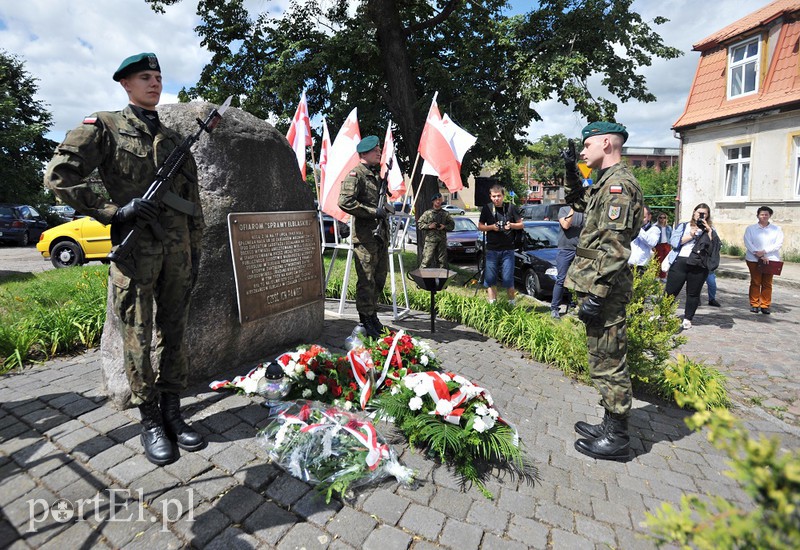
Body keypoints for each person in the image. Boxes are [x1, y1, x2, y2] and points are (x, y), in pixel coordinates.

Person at [43, 53, 205, 466]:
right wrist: (113, 211)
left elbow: (191, 202)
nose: (154, 83)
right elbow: (59, 175)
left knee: (176, 330)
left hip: (178, 252)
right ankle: (149, 417)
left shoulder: (172, 137)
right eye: (145, 77)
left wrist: (195, 248)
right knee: (137, 333)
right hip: (136, 251)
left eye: (158, 77)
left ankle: (173, 411)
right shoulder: (106, 127)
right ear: (125, 84)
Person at [562, 121, 643, 461]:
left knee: (609, 361)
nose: (583, 151)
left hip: (605, 288)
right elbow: (577, 202)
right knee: (602, 357)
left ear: (606, 143)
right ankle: (610, 423)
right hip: (598, 283)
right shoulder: (604, 183)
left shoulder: (618, 187)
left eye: (587, 145)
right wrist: (570, 169)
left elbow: (615, 247)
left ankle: (619, 438)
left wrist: (596, 293)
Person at [339, 135, 394, 337]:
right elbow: (344, 202)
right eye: (376, 150)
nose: (379, 152)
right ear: (364, 153)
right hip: (365, 239)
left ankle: (373, 316)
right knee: (366, 280)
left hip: (380, 237)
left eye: (379, 150)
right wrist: (372, 212)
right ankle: (365, 320)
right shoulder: (357, 174)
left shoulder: (376, 175)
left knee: (379, 279)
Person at [664, 203, 721, 330]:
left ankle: (688, 318)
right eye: (699, 212)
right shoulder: (684, 226)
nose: (701, 215)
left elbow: (714, 247)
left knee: (693, 293)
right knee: (671, 291)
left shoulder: (711, 229)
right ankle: (662, 313)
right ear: (694, 213)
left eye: (704, 214)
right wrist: (691, 235)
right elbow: (673, 242)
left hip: (699, 264)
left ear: (708, 216)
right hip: (681, 261)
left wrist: (709, 231)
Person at [478, 184, 524, 305]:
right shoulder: (487, 208)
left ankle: (511, 304)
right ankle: (492, 304)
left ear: (503, 196)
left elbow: (521, 224)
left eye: (499, 196)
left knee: (508, 279)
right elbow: (480, 226)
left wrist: (511, 225)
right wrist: (492, 227)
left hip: (508, 249)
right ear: (490, 196)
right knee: (490, 279)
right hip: (492, 249)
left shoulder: (511, 207)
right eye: (494, 196)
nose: (496, 199)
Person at [743, 206, 784, 314]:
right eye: (762, 214)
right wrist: (759, 254)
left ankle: (765, 304)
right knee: (755, 281)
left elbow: (778, 244)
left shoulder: (776, 229)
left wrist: (765, 251)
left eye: (766, 214)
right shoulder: (751, 229)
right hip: (753, 259)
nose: (764, 216)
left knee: (767, 283)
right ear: (758, 216)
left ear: (770, 216)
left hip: (770, 259)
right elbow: (748, 242)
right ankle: (754, 303)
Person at [550, 205, 584, 318]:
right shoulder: (564, 210)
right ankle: (554, 308)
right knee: (561, 279)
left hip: (581, 250)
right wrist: (573, 209)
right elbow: (565, 225)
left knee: (578, 280)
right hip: (565, 250)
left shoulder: (586, 210)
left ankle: (573, 305)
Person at [418, 192, 455, 269]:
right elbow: (419, 224)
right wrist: (429, 226)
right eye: (436, 200)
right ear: (433, 201)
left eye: (439, 200)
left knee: (442, 262)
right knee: (426, 261)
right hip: (430, 241)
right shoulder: (427, 213)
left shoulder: (445, 214)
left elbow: (452, 225)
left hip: (441, 241)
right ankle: (422, 279)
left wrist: (444, 226)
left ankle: (442, 279)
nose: (438, 202)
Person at [628, 205, 660, 275]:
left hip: (641, 265)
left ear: (649, 217)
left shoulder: (654, 229)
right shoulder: (630, 227)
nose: (640, 219)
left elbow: (652, 243)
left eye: (643, 217)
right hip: (627, 264)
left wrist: (638, 228)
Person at [654, 212, 672, 282]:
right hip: (658, 245)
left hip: (667, 244)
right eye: (660, 217)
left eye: (664, 217)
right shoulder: (656, 227)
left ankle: (663, 276)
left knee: (665, 261)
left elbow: (671, 236)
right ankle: (657, 275)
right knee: (658, 260)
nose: (662, 219)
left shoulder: (669, 227)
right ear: (658, 218)